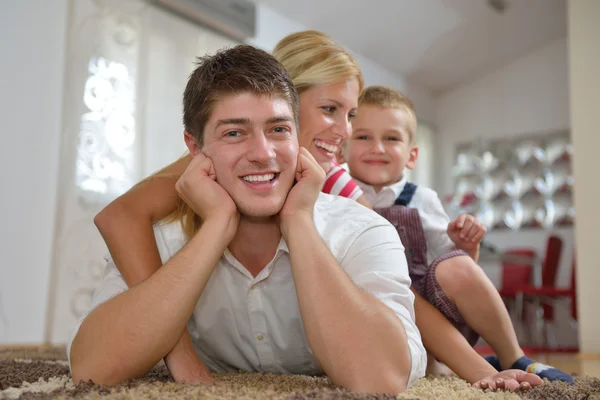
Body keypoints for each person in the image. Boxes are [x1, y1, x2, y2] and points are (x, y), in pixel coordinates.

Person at [92, 30, 547, 391]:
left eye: (350, 115)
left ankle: (506, 355)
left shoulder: (342, 195)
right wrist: (180, 351)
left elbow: (406, 298)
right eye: (330, 109)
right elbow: (119, 217)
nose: (344, 132)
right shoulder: (210, 164)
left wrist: (473, 369)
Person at [68, 44, 426, 394]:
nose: (262, 153)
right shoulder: (162, 238)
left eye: (278, 129)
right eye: (234, 133)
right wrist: (216, 228)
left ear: (297, 135)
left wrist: (298, 221)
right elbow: (93, 369)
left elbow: (381, 379)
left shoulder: (363, 230)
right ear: (195, 148)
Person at [344, 85, 573, 385]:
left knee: (456, 264)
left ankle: (513, 356)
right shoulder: (337, 198)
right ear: (343, 145)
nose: (378, 148)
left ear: (412, 155)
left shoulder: (422, 198)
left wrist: (467, 247)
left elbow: (457, 269)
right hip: (371, 315)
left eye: (391, 138)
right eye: (363, 137)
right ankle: (462, 364)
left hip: (431, 314)